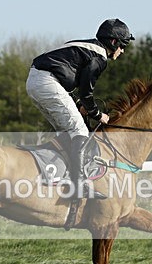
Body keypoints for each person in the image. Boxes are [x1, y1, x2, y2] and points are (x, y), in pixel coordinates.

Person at [26, 18, 134, 198]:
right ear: (113, 42)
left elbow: (71, 86)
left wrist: (80, 106)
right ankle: (79, 185)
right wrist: (98, 115)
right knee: (80, 131)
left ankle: (61, 176)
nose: (122, 51)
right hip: (46, 82)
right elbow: (86, 93)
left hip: (37, 81)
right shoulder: (99, 57)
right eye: (123, 46)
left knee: (67, 132)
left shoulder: (88, 48)